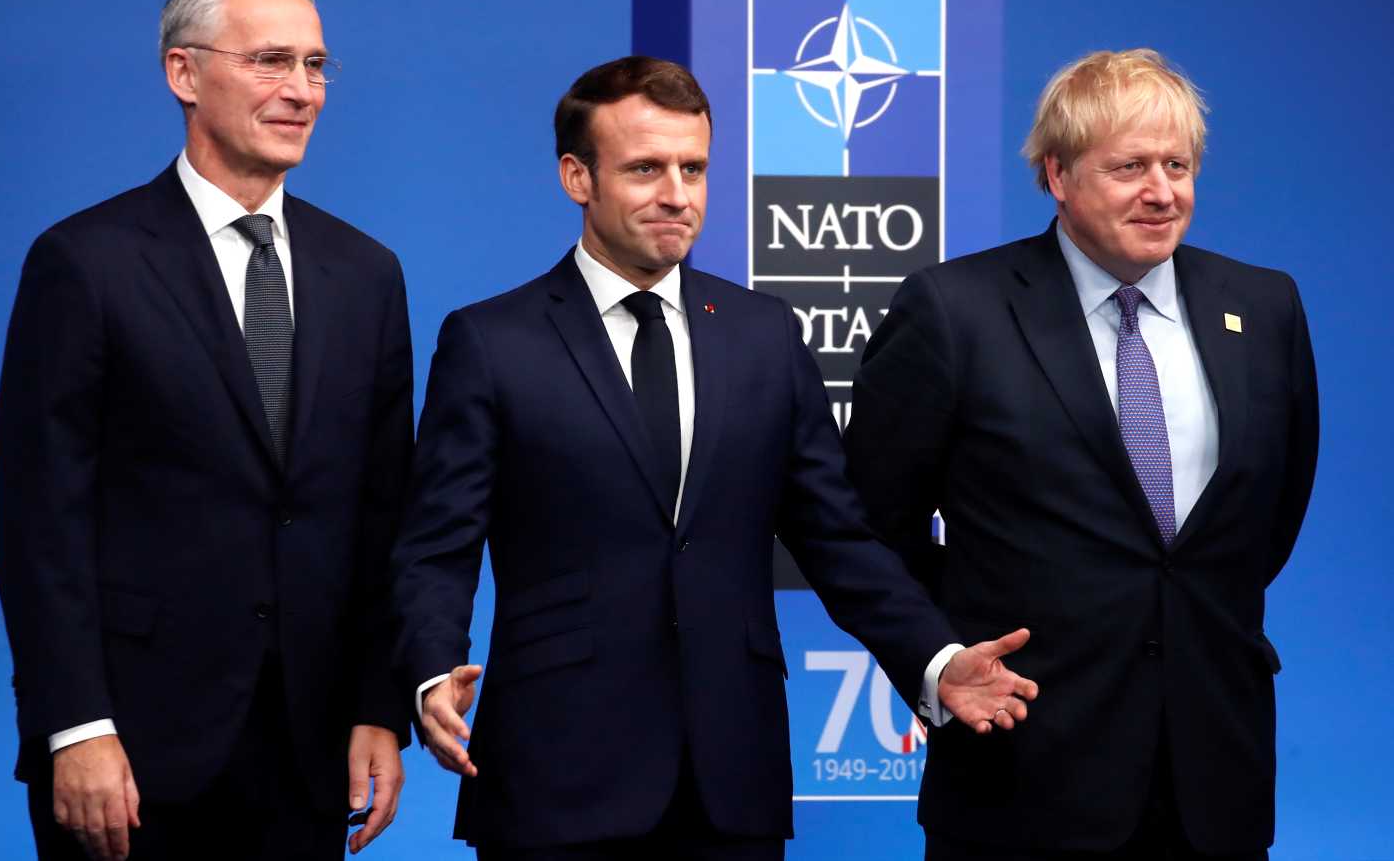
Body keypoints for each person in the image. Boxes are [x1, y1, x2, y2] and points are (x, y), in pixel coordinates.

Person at [391, 56, 1039, 861]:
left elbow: (838, 538)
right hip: (552, 775)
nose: (677, 194)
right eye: (645, 168)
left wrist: (934, 659)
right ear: (576, 177)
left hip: (731, 778)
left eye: (693, 168)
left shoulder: (764, 334)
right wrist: (429, 671)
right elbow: (436, 543)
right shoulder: (491, 341)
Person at [845, 48, 1318, 860]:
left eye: (1178, 164)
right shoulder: (957, 311)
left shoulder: (1264, 306)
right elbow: (862, 524)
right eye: (1130, 166)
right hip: (1024, 769)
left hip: (1215, 772)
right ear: (1059, 175)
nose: (1161, 191)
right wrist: (943, 654)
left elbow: (1263, 521)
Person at [0, 0, 411, 860]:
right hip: (132, 751)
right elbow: (41, 521)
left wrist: (381, 706)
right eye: (269, 60)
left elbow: (382, 512)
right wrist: (74, 724)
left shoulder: (367, 275)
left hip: (306, 753)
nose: (302, 89)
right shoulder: (85, 262)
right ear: (184, 72)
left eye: (314, 64)